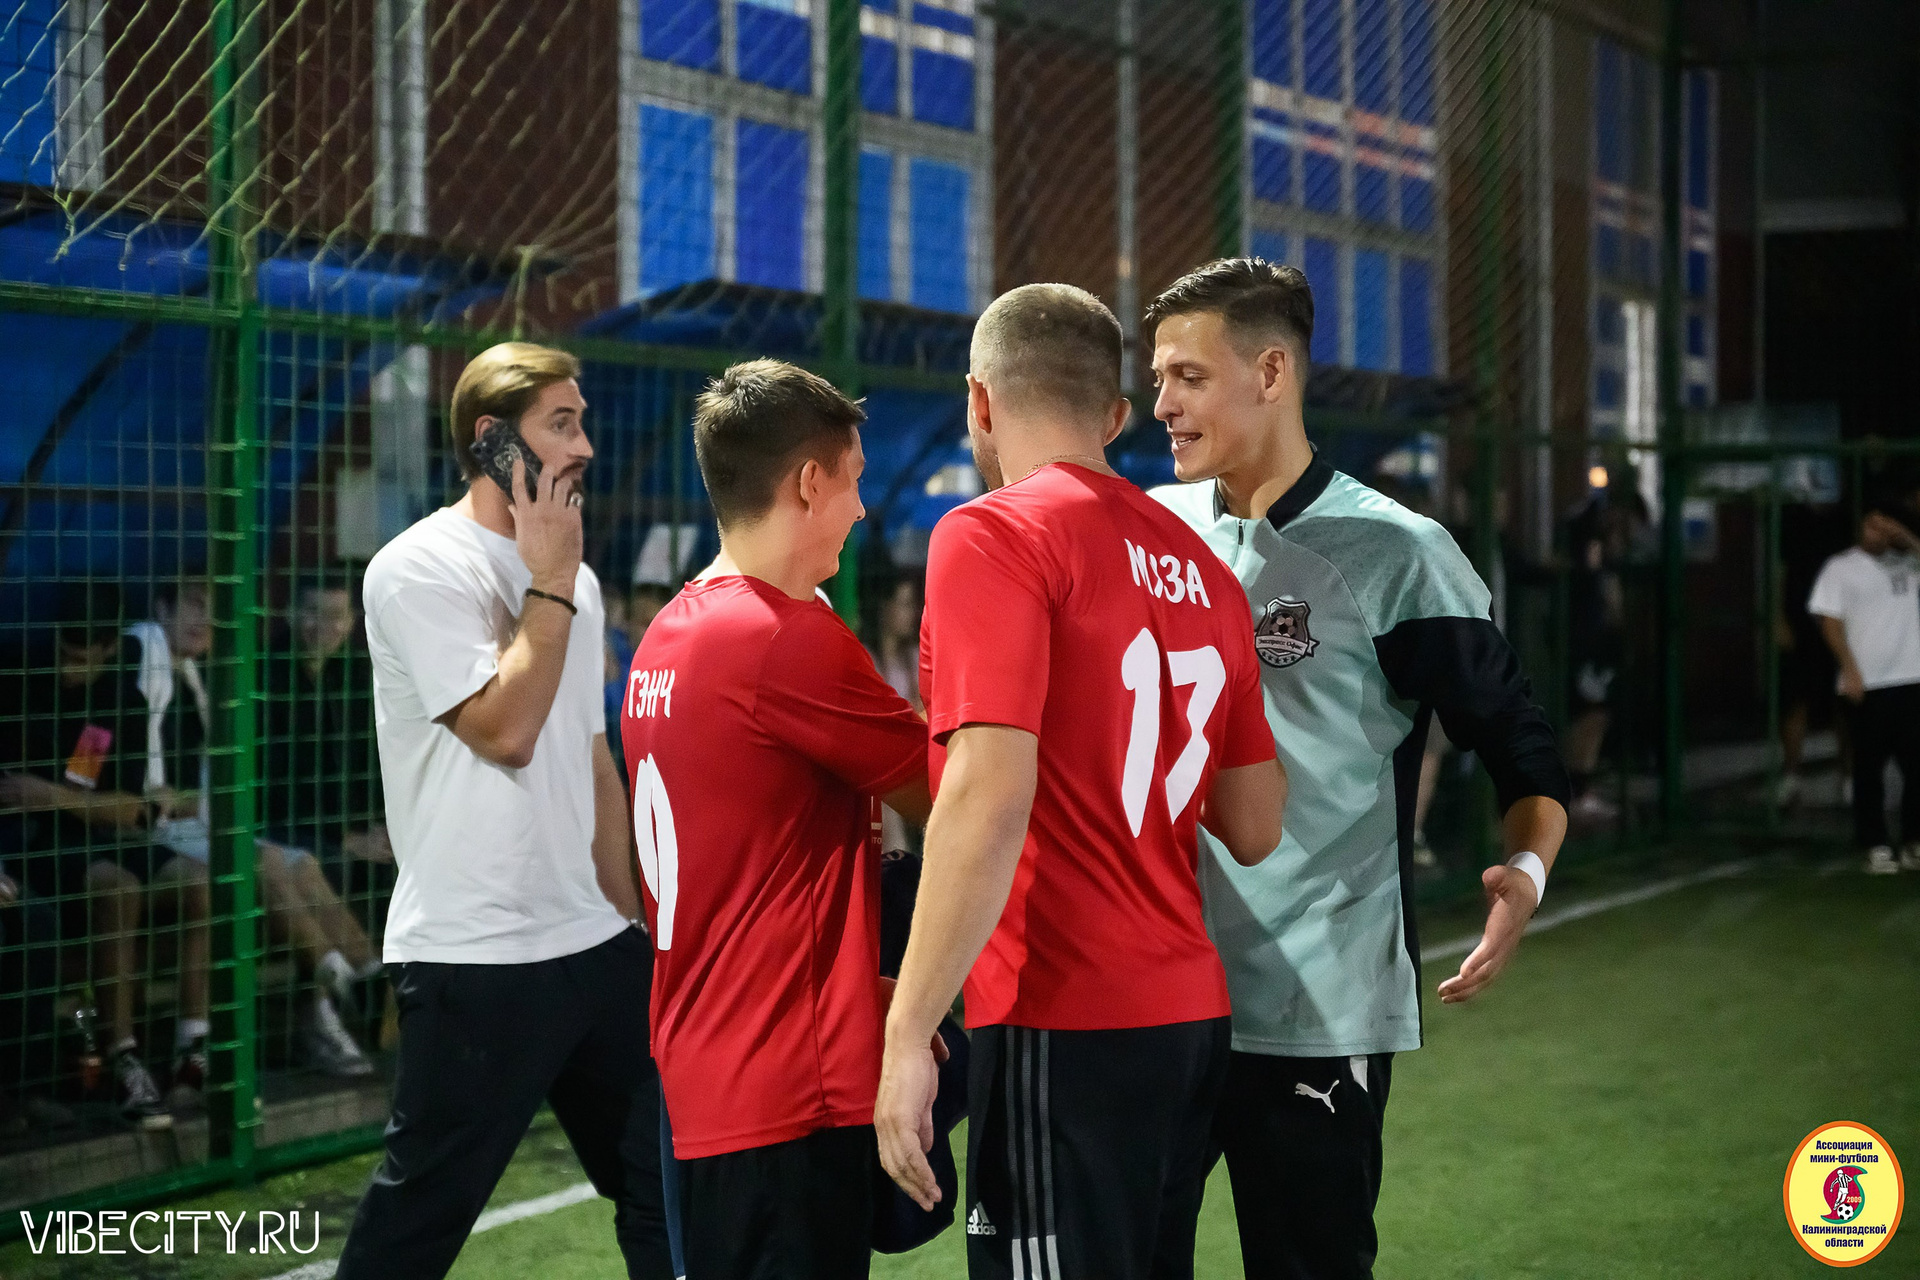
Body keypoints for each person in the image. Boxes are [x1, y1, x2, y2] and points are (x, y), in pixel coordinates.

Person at [1143, 257, 1571, 1279]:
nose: (1161, 404)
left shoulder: (1398, 552)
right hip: (1156, 994)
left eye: (1188, 377)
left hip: (1316, 1007)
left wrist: (1526, 873)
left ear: (1272, 371)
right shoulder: (1149, 531)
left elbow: (1520, 744)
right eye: (1157, 379)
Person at [875, 284, 1288, 1280]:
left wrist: (908, 1031)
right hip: (1188, 1015)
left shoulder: (992, 533)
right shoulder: (1207, 568)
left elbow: (985, 796)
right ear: (1114, 415)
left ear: (979, 401)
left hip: (1060, 1012)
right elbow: (1256, 821)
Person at [334, 342, 671, 1280]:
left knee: (665, 1185)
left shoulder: (578, 580)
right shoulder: (416, 568)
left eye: (582, 422)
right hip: (476, 953)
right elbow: (508, 730)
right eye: (561, 424)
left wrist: (634, 918)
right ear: (491, 440)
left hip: (593, 943)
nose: (585, 447)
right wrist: (550, 580)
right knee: (417, 1226)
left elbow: (590, 760)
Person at [624, 358, 933, 1278]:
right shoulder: (782, 638)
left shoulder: (668, 635)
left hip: (706, 1074)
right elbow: (959, 797)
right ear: (808, 482)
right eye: (854, 481)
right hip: (786, 1088)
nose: (862, 510)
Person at [129, 581, 374, 1089]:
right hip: (167, 831)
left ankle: (373, 980)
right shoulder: (145, 663)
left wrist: (368, 828)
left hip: (209, 824)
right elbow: (261, 785)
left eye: (215, 611)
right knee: (273, 861)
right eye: (194, 606)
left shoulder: (201, 675)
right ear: (163, 609)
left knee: (307, 862)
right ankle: (340, 982)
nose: (205, 620)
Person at [0, 584, 175, 1128]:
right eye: (65, 654)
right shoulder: (19, 683)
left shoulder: (120, 698)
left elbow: (132, 809)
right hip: (35, 846)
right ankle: (123, 1056)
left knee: (198, 882)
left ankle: (196, 1055)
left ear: (109, 649)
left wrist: (52, 795)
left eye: (84, 658)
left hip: (98, 835)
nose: (70, 668)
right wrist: (67, 805)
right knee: (111, 890)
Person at [259, 581, 393, 1066]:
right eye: (314, 613)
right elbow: (272, 785)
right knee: (327, 861)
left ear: (352, 621)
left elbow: (369, 765)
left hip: (337, 824)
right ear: (291, 614)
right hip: (278, 824)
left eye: (337, 616)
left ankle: (387, 1003)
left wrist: (379, 827)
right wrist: (345, 835)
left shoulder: (354, 675)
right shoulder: (266, 675)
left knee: (404, 864)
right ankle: (320, 1017)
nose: (325, 627)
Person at [1808, 499, 1920, 875]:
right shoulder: (1841, 567)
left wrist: (1907, 539)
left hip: (1911, 678)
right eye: (1871, 525)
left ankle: (1913, 840)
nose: (1877, 532)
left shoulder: (1909, 564)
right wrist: (1850, 669)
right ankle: (1875, 843)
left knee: (1916, 767)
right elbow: (1830, 622)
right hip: (1868, 682)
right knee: (1869, 769)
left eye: (1884, 525)